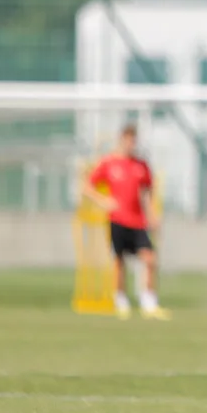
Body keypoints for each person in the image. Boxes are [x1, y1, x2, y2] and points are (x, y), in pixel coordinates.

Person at [84, 123, 169, 321]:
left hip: (138, 222)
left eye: (134, 140)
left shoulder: (141, 166)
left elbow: (147, 194)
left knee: (149, 259)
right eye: (128, 140)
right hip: (117, 220)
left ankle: (149, 303)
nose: (131, 144)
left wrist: (153, 216)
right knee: (118, 262)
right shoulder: (109, 163)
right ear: (121, 140)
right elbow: (87, 186)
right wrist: (103, 201)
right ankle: (121, 301)